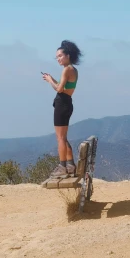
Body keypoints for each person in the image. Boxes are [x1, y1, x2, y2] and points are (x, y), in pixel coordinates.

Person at [42, 40, 82, 176]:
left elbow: (59, 89)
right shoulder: (73, 70)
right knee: (63, 137)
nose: (58, 59)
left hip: (61, 104)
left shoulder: (66, 70)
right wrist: (53, 79)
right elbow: (65, 88)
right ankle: (70, 165)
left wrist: (49, 81)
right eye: (57, 57)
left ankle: (62, 166)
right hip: (68, 103)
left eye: (60, 56)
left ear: (68, 55)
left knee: (60, 138)